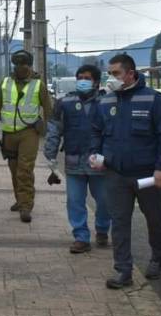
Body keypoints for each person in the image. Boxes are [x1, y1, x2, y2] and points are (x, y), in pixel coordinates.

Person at [89, 54, 161, 289]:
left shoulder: (153, 100)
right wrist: (95, 154)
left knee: (156, 218)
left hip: (147, 174)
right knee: (119, 222)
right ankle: (123, 270)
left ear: (130, 73)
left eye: (116, 73)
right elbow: (95, 131)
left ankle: (158, 258)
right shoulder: (105, 102)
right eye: (110, 73)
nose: (112, 78)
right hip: (115, 173)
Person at [44, 65, 111, 254]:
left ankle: (102, 229)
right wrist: (50, 154)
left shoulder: (107, 102)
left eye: (87, 78)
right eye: (80, 77)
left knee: (105, 200)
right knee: (74, 201)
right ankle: (81, 237)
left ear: (96, 82)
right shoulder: (64, 102)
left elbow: (115, 132)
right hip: (74, 159)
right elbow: (54, 128)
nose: (82, 80)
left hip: (99, 162)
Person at [0, 50, 54, 223]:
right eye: (17, 64)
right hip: (9, 133)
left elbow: (48, 108)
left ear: (30, 65)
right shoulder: (5, 83)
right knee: (14, 169)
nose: (21, 68)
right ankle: (20, 199)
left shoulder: (38, 85)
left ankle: (26, 206)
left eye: (24, 64)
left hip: (29, 132)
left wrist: (49, 129)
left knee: (24, 170)